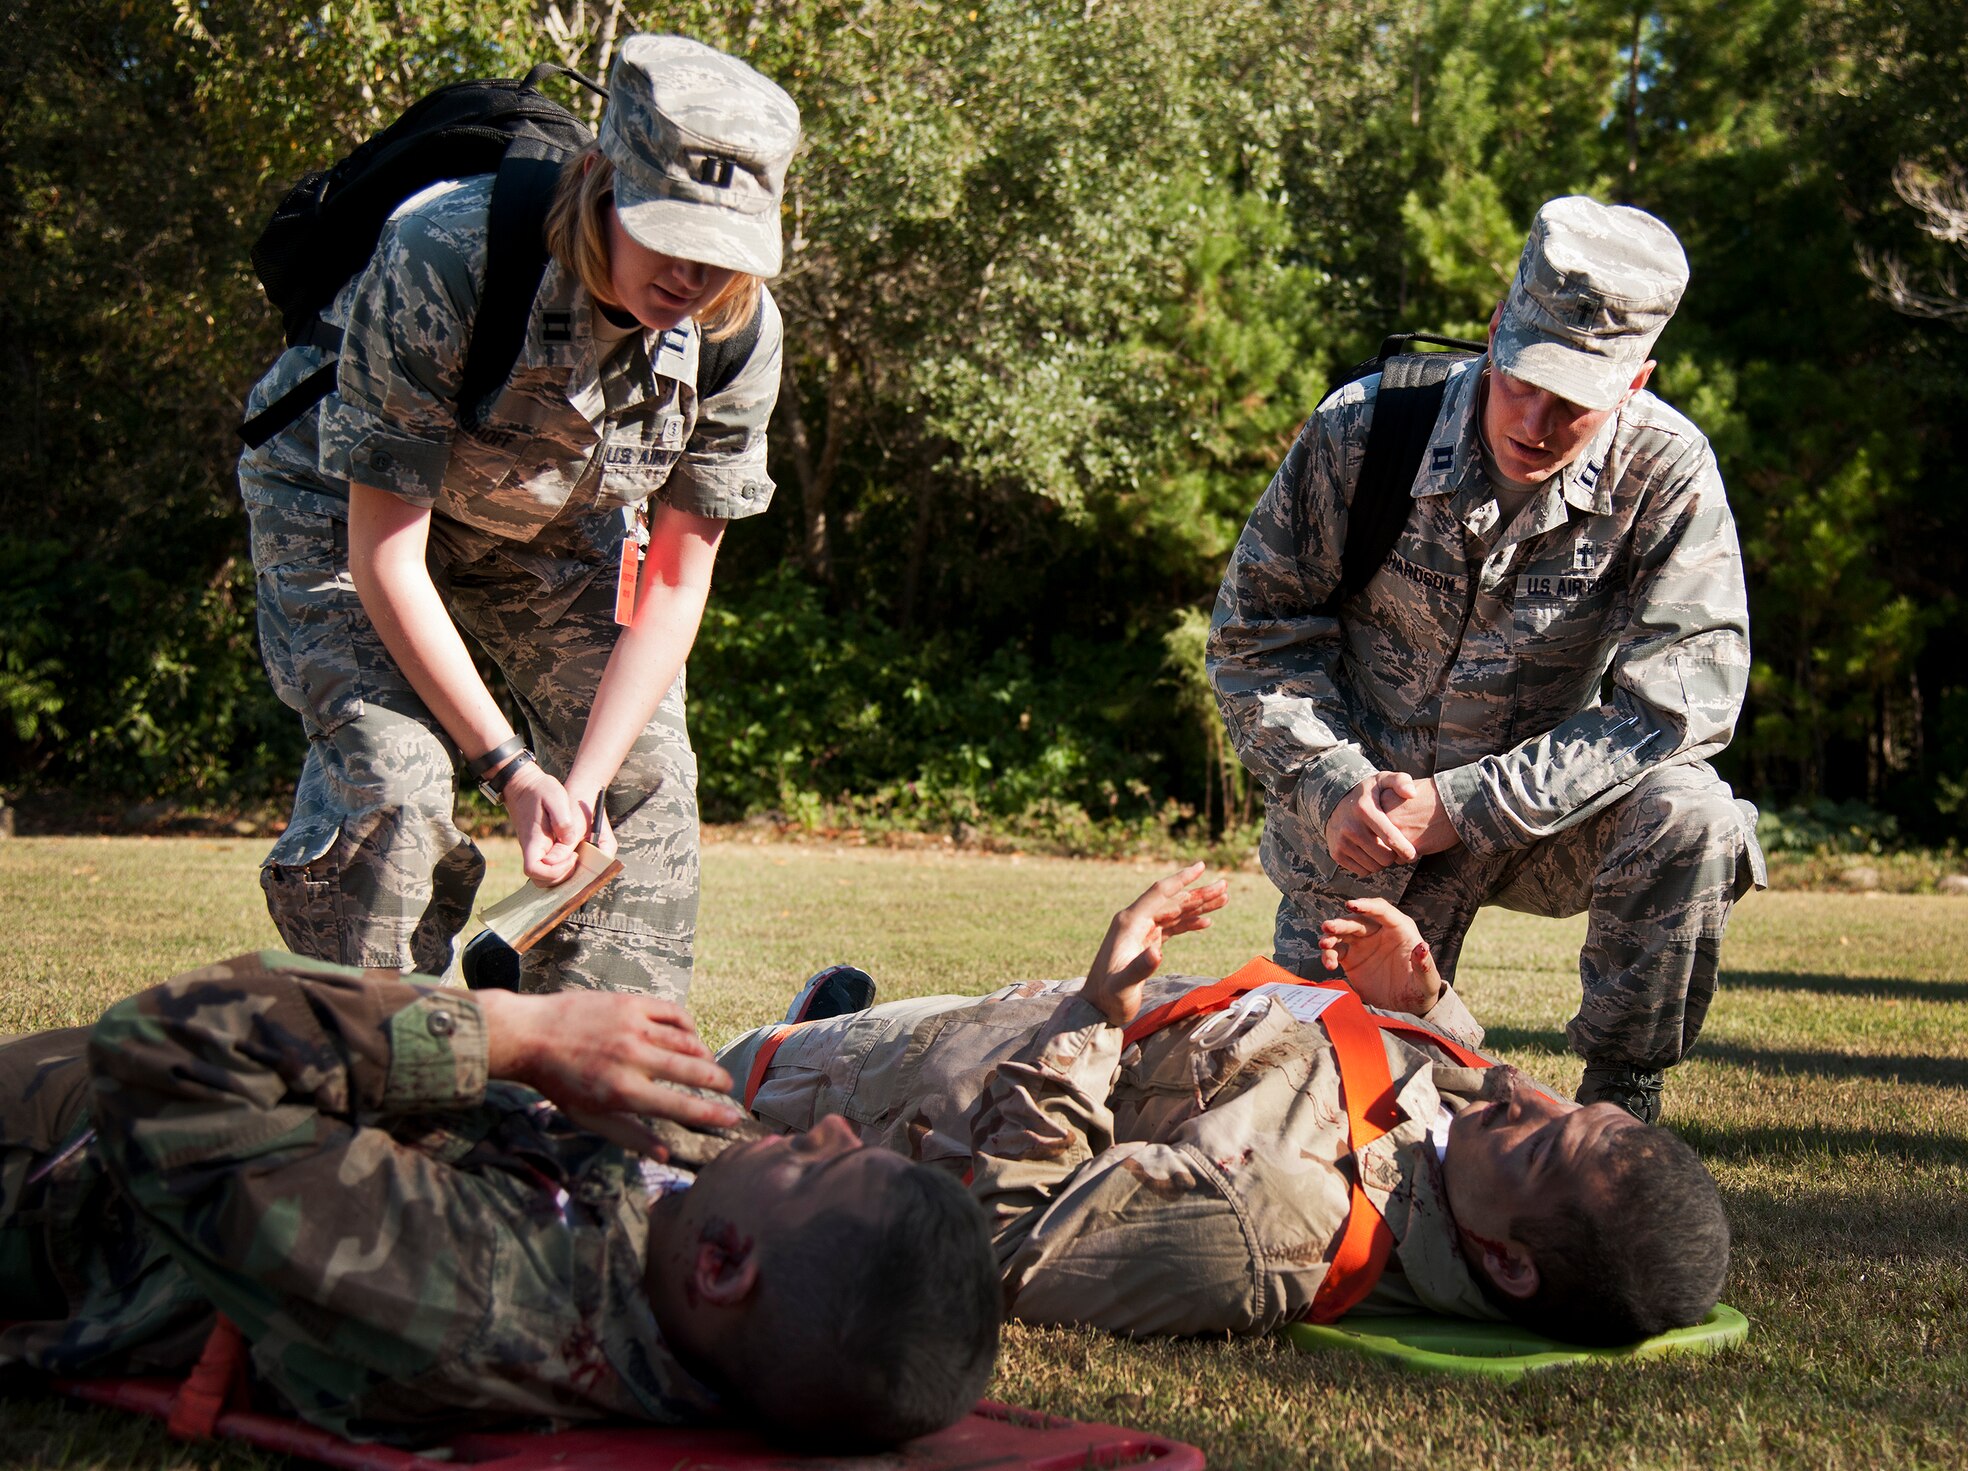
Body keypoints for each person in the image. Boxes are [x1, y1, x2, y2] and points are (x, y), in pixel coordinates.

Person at [237, 35, 798, 1000]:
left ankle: (586, 1097)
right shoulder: (447, 255)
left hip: (550, 522)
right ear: (599, 181)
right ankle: (371, 1070)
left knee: (640, 781)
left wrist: (576, 784)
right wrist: (509, 770)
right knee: (397, 783)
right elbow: (388, 554)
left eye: (724, 251)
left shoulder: (737, 337)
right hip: (345, 506)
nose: (692, 278)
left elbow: (672, 578)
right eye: (669, 231)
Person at [1207, 195, 1768, 1122]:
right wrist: (1329, 779)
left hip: (1540, 827)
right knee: (1315, 1106)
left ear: (1637, 379)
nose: (1538, 422)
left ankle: (1619, 1100)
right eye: (1523, 380)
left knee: (1696, 815)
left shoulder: (1667, 472)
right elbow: (1255, 633)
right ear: (1498, 327)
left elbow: (1679, 703)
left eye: (1577, 400)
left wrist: (1467, 806)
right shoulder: (1366, 431)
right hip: (1367, 826)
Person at [0, 956, 1001, 1450]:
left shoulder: (464, 1288)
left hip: (38, 1160)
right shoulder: (700, 1240)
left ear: (723, 1266)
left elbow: (159, 1051)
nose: (829, 1130)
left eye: (819, 1165)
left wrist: (509, 1034)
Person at [718, 866, 1731, 1348]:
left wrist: (1096, 1012)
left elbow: (998, 1239)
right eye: (1571, 1105)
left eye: (1543, 1136)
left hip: (898, 1091)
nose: (1519, 1088)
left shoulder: (1277, 1223)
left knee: (693, 1071)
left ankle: (779, 1050)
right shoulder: (1472, 1162)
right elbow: (1469, 1090)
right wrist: (1420, 1005)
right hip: (996, 1026)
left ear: (1505, 1261)